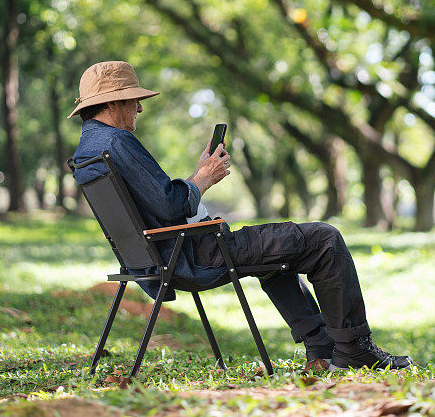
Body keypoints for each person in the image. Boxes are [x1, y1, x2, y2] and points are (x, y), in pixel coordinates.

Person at [69, 61, 413, 370]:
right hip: (194, 254)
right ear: (113, 103)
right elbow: (172, 206)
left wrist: (198, 174)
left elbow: (158, 202)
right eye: (133, 100)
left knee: (280, 251)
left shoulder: (89, 149)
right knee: (324, 238)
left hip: (158, 257)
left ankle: (322, 348)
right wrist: (205, 178)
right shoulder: (117, 143)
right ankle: (354, 349)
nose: (139, 108)